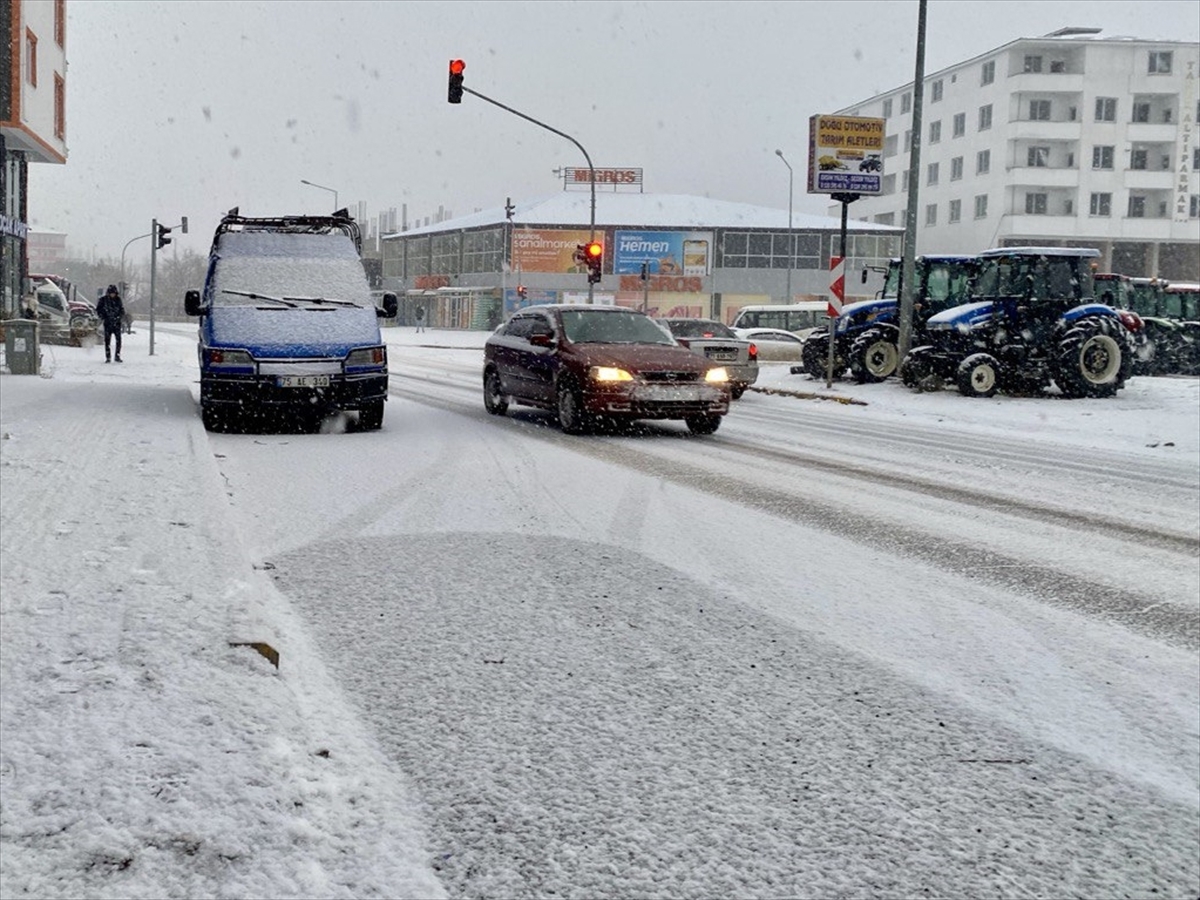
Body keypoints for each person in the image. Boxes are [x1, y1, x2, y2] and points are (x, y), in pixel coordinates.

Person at [96, 284, 126, 363]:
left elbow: (122, 310)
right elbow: (98, 310)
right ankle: (108, 357)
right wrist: (103, 316)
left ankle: (117, 356)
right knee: (107, 341)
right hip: (108, 323)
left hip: (117, 323)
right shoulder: (103, 300)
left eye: (114, 293)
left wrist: (119, 317)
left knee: (118, 341)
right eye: (111, 293)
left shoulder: (118, 300)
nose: (112, 295)